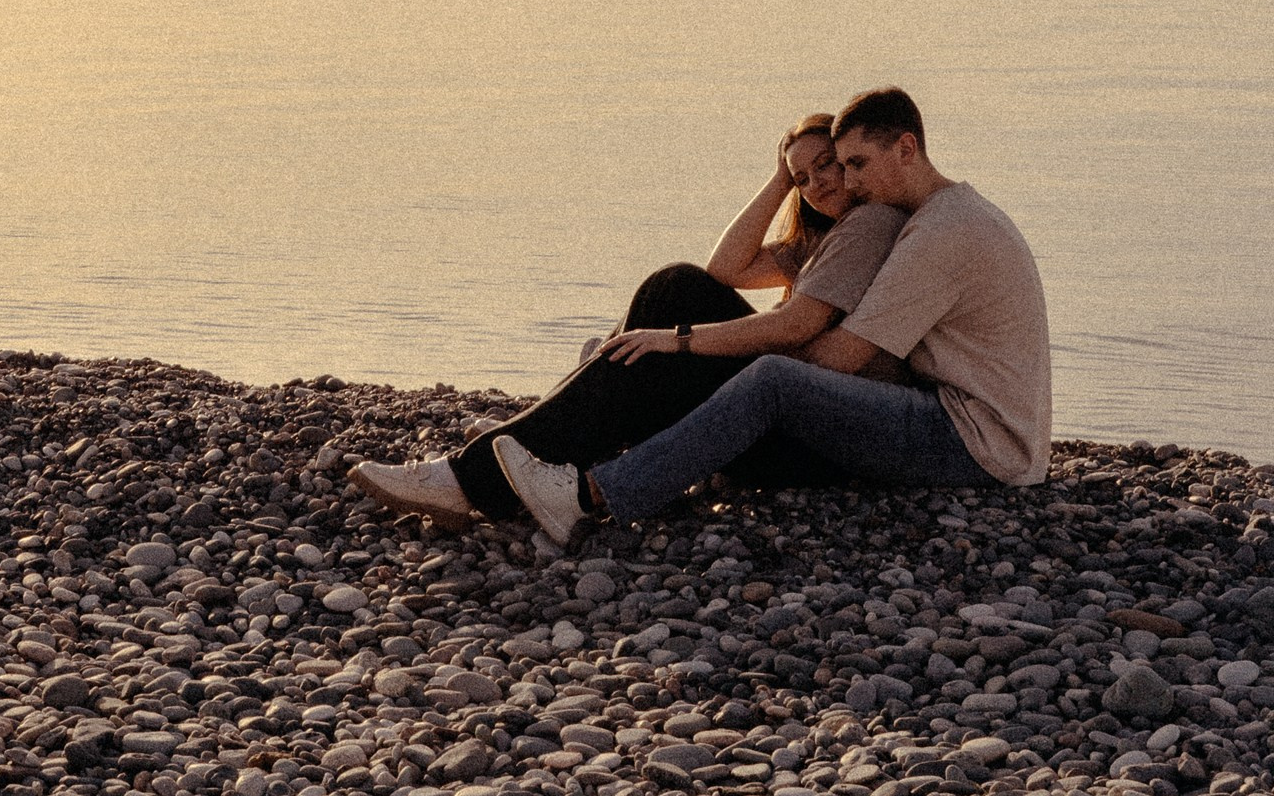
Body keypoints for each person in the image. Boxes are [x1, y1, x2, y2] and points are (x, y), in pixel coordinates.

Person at [491, 85, 1052, 543]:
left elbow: (841, 357)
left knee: (772, 380)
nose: (849, 181)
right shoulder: (940, 217)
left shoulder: (941, 232)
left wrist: (703, 355)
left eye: (856, 164)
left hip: (978, 443)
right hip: (970, 425)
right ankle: (555, 444)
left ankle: (588, 496)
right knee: (715, 347)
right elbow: (728, 270)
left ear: (906, 148)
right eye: (841, 166)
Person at [348, 111, 907, 533]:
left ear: (851, 158)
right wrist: (778, 179)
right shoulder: (825, 240)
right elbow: (727, 268)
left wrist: (678, 340)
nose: (817, 183)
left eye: (827, 164)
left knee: (672, 299)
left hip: (799, 439)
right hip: (788, 426)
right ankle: (534, 443)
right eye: (802, 178)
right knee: (673, 296)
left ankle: (473, 477)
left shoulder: (867, 226)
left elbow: (794, 327)